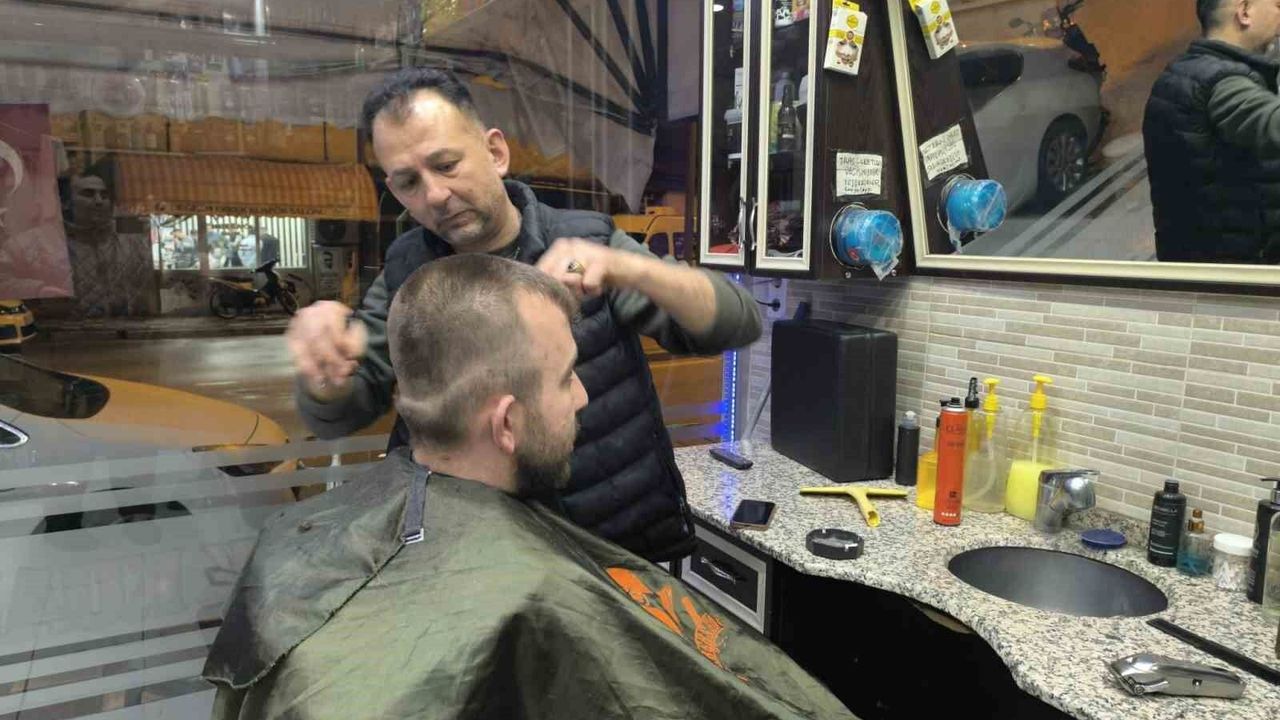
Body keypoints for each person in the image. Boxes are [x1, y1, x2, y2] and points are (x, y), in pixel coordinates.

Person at [202, 254, 855, 720]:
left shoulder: (290, 538)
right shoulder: (532, 596)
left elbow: (730, 316)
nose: (584, 395)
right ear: (508, 424)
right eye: (567, 376)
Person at [286, 67, 762, 562]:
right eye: (409, 182)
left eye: (446, 165)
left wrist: (632, 269)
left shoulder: (584, 244)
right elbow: (344, 411)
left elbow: (737, 323)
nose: (434, 195)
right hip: (477, 553)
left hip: (613, 541)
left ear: (495, 152)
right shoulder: (407, 270)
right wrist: (326, 375)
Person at [1143, 0, 1280, 263]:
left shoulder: (1188, 71)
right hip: (1235, 269)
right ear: (1244, 12)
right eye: (1277, 6)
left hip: (1204, 263)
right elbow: (1271, 124)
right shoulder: (1222, 83)